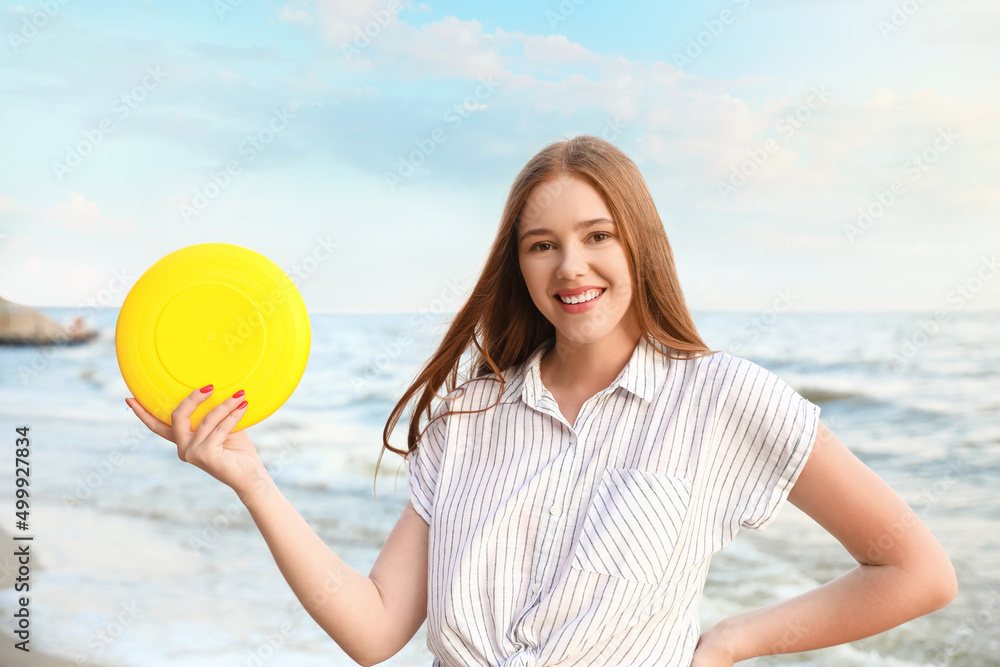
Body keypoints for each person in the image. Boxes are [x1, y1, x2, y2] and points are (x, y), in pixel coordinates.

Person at [126, 135, 957, 667]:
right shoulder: (465, 420)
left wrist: (731, 641)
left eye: (598, 235)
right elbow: (375, 630)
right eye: (542, 244)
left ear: (640, 243)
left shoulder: (722, 398)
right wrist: (252, 482)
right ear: (518, 266)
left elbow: (915, 571)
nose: (572, 267)